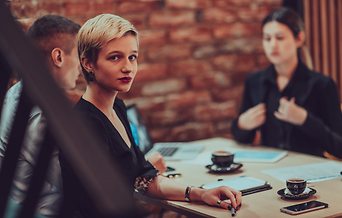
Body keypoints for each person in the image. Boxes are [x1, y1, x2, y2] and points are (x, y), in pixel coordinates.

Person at [59, 14, 242, 218]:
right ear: (88, 64)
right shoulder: (85, 123)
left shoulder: (117, 108)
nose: (128, 67)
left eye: (132, 56)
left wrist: (200, 193)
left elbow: (143, 177)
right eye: (115, 57)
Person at [231, 7, 342, 159]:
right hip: (269, 169)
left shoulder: (322, 84)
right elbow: (242, 138)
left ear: (299, 39)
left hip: (309, 172)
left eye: (279, 38)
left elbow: (341, 148)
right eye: (267, 38)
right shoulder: (254, 81)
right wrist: (242, 124)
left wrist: (304, 119)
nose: (272, 45)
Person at [0, 15, 81, 217]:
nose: (82, 66)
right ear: (59, 57)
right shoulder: (38, 114)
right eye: (79, 55)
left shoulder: (18, 92)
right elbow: (75, 184)